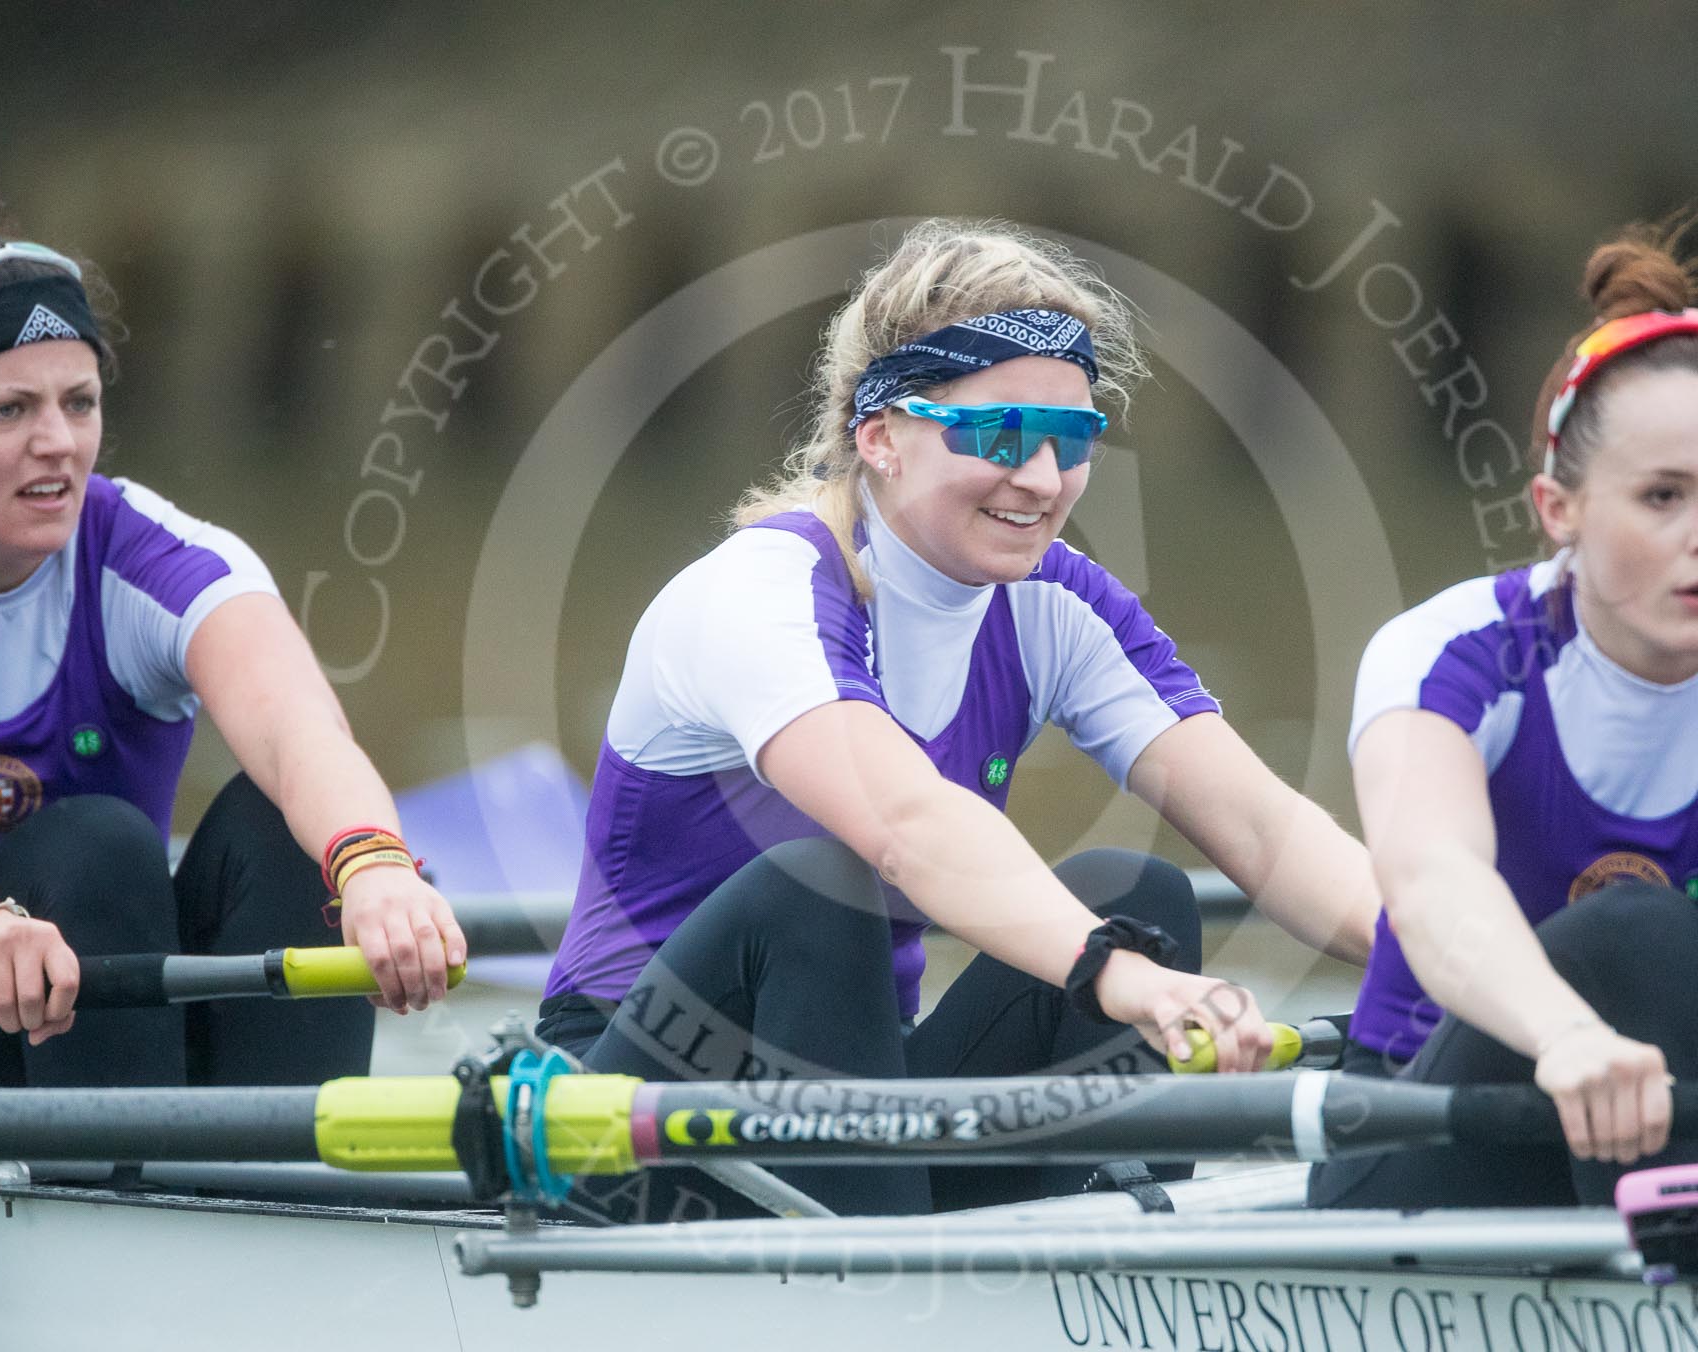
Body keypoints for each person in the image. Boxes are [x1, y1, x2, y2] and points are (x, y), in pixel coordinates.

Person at [537, 218, 1379, 1220]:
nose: (1041, 478)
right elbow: (905, 823)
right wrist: (1119, 975)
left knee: (1138, 888)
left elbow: (1263, 826)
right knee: (824, 882)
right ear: (880, 437)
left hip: (853, 1110)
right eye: (999, 434)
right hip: (629, 1120)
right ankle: (892, 1304)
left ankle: (1092, 1275)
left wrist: (1488, 977)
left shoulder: (1056, 604)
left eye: (1072, 439)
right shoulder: (759, 594)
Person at [1310, 218, 1698, 1220]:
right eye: (1663, 496)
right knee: (1636, 930)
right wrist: (1566, 1033)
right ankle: (1697, 1261)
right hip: (1437, 1142)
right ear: (1558, 508)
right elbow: (1432, 887)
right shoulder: (1451, 655)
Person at [0, 184, 466, 1088]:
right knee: (97, 843)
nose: (57, 441)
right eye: (8, 410)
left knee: (292, 825)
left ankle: (276, 1186)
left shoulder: (157, 557)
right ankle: (114, 1187)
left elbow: (299, 735)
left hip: (96, 1013)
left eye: (80, 402)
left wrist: (374, 866)